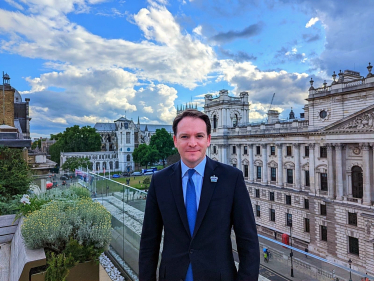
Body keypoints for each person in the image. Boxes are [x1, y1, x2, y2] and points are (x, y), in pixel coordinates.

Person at [139, 109, 260, 281]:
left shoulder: (231, 178)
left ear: (209, 139)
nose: (192, 143)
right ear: (175, 140)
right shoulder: (160, 181)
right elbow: (149, 242)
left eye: (199, 136)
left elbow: (248, 242)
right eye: (185, 136)